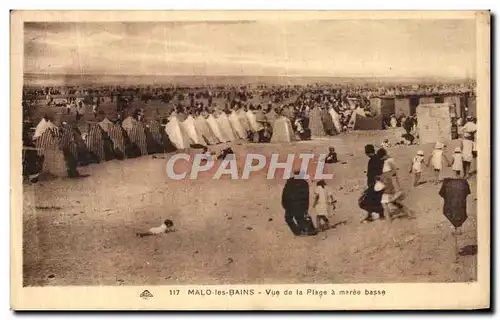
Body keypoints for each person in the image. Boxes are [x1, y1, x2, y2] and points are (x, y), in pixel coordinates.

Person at [281, 171, 316, 236]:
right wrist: (306, 207)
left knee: (289, 218)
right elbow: (306, 196)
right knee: (300, 218)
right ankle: (308, 230)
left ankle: (298, 232)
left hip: (290, 204)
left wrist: (284, 203)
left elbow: (285, 193)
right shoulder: (304, 182)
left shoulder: (290, 182)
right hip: (300, 204)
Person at [359, 144, 384, 222]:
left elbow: (377, 172)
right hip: (374, 183)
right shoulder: (376, 159)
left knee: (367, 200)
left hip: (375, 183)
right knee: (373, 200)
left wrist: (373, 183)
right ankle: (375, 215)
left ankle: (374, 215)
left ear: (368, 152)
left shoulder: (374, 160)